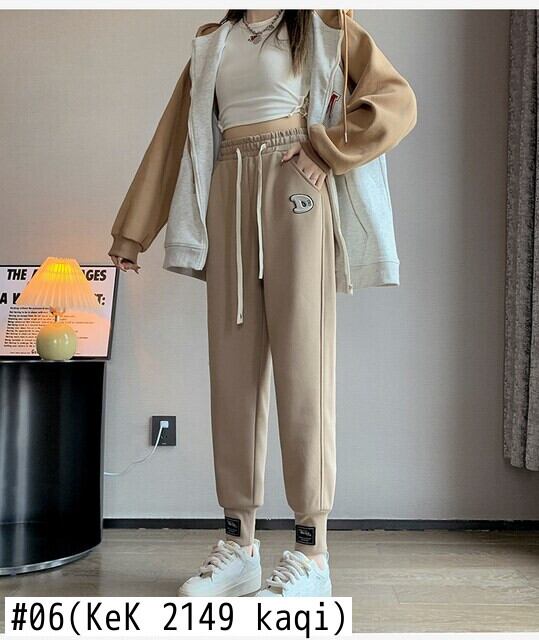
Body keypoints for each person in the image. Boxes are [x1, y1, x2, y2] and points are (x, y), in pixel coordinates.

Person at [109, 9, 417, 597]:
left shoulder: (325, 26)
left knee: (304, 369)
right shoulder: (213, 43)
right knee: (232, 373)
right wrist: (132, 234)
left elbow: (394, 99)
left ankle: (312, 551)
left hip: (295, 185)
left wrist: (326, 151)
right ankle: (239, 544)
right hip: (228, 188)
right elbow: (173, 138)